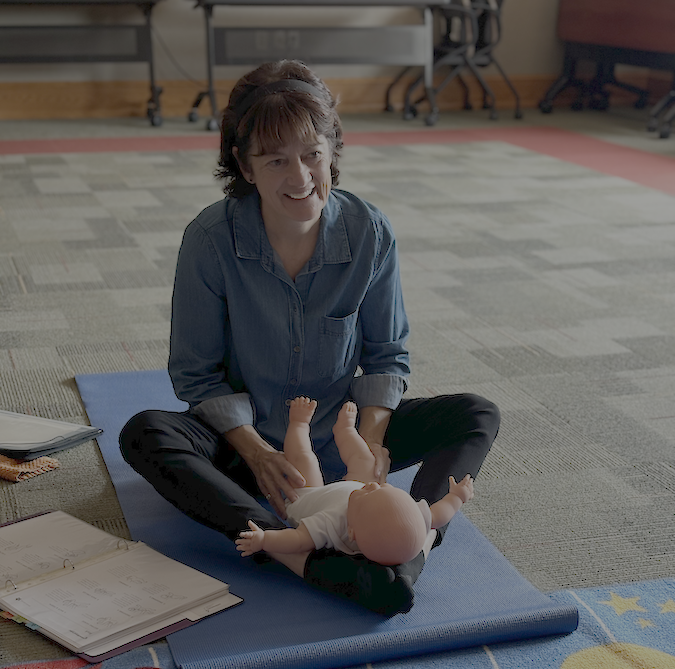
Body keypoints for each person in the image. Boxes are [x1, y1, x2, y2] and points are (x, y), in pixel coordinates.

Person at [119, 58, 500, 616]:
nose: (299, 178)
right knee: (145, 433)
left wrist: (369, 442)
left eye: (312, 155)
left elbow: (386, 354)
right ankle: (297, 552)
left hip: (344, 451)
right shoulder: (209, 239)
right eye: (276, 161)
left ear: (331, 152)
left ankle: (407, 540)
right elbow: (195, 374)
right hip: (248, 455)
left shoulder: (369, 230)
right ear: (245, 168)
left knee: (476, 413)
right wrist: (257, 453)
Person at [236, 397, 474, 573]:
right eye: (386, 488)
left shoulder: (330, 523)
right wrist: (457, 497)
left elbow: (296, 540)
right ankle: (346, 431)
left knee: (303, 459)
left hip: (309, 497)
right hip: (347, 493)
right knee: (368, 462)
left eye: (369, 493)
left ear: (351, 531)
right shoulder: (394, 514)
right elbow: (438, 515)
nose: (373, 486)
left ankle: (298, 425)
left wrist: (264, 540)